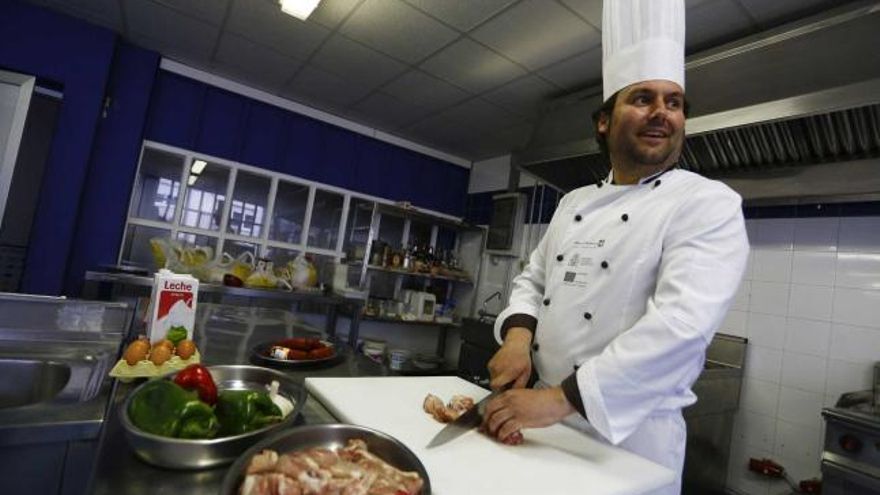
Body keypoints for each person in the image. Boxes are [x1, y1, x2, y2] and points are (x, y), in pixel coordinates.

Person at [481, 1, 749, 493]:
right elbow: (533, 279)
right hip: (543, 420)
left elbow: (680, 327)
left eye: (673, 103)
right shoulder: (574, 202)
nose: (661, 114)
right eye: (643, 98)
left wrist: (559, 399)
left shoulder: (708, 203)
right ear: (604, 121)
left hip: (629, 443)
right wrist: (518, 339)